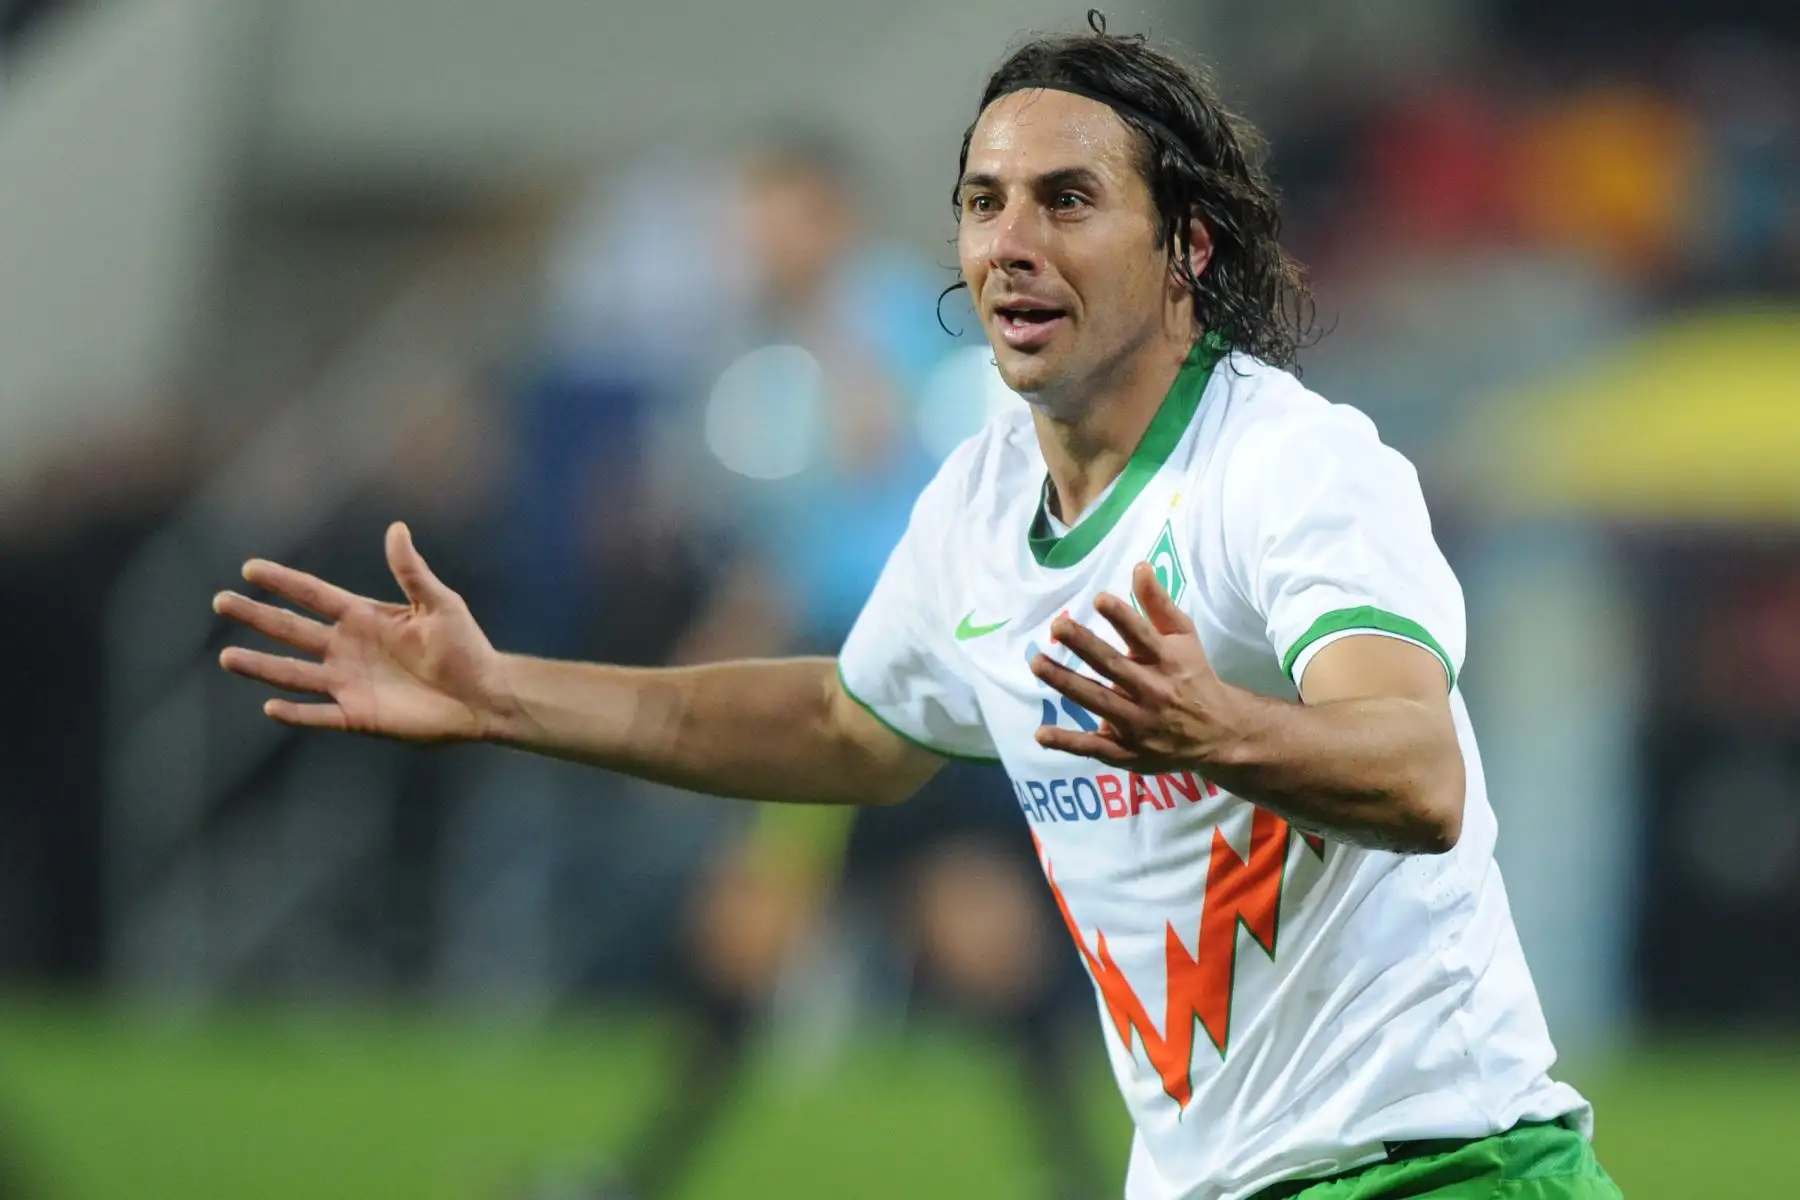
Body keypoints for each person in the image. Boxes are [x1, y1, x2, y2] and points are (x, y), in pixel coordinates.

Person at [212, 14, 1619, 1200]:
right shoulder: (980, 502)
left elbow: (1418, 770)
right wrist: (499, 692)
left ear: (1188, 247)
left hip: (1443, 1173)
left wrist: (1219, 728)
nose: (1010, 240)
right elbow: (844, 719)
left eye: (1068, 199)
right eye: (984, 199)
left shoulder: (1289, 466)